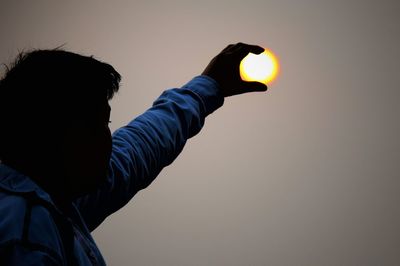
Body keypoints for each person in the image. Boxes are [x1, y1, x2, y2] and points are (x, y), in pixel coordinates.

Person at [0, 42, 267, 265]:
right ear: (54, 131)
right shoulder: (26, 237)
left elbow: (137, 148)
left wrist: (209, 85)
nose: (108, 139)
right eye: (100, 124)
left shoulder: (54, 199)